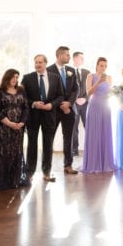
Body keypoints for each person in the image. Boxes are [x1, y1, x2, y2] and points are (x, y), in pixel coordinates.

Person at [22, 54, 63, 182]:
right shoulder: (27, 78)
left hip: (49, 116)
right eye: (36, 62)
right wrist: (33, 103)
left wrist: (51, 105)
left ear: (45, 63)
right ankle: (29, 173)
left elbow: (61, 96)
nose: (38, 64)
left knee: (48, 145)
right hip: (32, 116)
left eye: (40, 62)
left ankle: (47, 172)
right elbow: (22, 97)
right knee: (32, 145)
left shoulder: (55, 78)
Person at [0, 69, 28, 191]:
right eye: (13, 77)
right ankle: (0, 181)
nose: (15, 79)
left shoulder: (21, 90)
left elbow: (26, 108)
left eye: (17, 77)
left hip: (18, 128)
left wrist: (21, 123)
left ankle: (14, 180)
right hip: (2, 128)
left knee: (16, 153)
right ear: (7, 77)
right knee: (3, 153)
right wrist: (9, 123)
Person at [49, 46, 80, 175]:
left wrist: (69, 103)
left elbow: (76, 89)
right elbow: (48, 90)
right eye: (67, 55)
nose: (69, 57)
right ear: (60, 55)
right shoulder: (49, 70)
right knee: (49, 138)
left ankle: (68, 165)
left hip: (69, 110)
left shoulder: (71, 70)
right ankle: (47, 168)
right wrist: (60, 104)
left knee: (68, 138)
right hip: (54, 110)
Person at [80, 57, 114, 173]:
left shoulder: (109, 78)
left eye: (105, 66)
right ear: (97, 65)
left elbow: (109, 93)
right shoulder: (90, 76)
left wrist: (116, 92)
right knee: (94, 133)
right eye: (101, 65)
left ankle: (106, 162)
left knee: (105, 133)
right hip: (94, 106)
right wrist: (99, 81)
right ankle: (93, 163)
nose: (103, 68)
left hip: (106, 107)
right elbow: (88, 92)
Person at [70, 51, 90, 162]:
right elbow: (67, 89)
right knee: (74, 127)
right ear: (75, 58)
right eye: (80, 58)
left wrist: (85, 98)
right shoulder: (68, 71)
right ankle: (74, 150)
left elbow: (90, 88)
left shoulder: (87, 72)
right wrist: (75, 99)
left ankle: (90, 149)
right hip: (74, 104)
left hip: (86, 103)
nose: (82, 60)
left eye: (83, 58)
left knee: (89, 126)